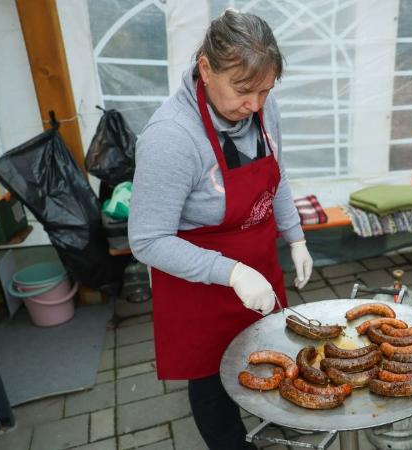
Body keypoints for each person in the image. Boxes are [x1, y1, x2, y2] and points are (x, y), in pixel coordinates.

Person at [128, 10, 312, 449]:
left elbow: (277, 176)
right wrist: (231, 273)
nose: (255, 105)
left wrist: (296, 235)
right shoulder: (170, 137)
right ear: (206, 70)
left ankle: (285, 411)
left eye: (266, 90)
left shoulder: (262, 105)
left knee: (272, 350)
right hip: (198, 281)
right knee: (211, 379)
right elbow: (147, 239)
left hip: (258, 261)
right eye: (245, 91)